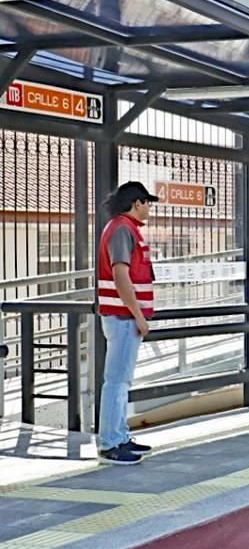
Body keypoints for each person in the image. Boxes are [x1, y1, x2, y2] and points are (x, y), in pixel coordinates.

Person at [95, 181, 158, 465]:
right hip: (122, 317)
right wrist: (139, 316)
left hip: (122, 316)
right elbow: (122, 276)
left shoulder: (124, 228)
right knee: (116, 382)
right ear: (137, 203)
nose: (149, 208)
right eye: (148, 203)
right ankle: (110, 443)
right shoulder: (122, 230)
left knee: (121, 381)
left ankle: (120, 437)